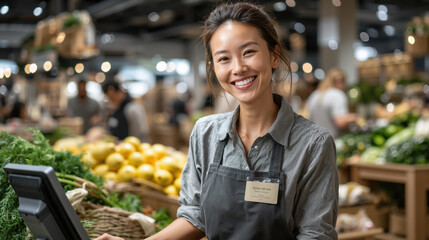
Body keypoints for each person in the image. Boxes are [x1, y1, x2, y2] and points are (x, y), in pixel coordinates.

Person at [96, 2, 338, 240]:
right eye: (224, 59)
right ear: (213, 67)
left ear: (274, 56)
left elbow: (316, 234)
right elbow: (195, 216)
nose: (238, 68)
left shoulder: (313, 144)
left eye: (249, 52)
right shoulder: (206, 133)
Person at [306, 68, 357, 139]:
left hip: (316, 142)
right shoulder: (337, 94)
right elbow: (340, 122)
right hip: (334, 141)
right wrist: (355, 117)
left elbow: (309, 120)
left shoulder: (314, 95)